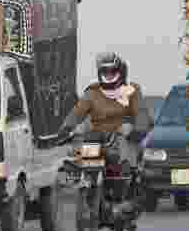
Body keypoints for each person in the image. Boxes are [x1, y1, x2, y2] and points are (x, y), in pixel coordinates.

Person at [57, 52, 144, 216]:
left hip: (122, 139)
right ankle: (90, 189)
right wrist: (66, 129)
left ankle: (122, 200)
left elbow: (142, 114)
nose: (109, 75)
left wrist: (134, 129)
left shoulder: (132, 91)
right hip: (97, 139)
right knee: (83, 152)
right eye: (105, 72)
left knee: (124, 164)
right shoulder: (92, 93)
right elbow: (77, 112)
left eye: (112, 71)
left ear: (120, 72)